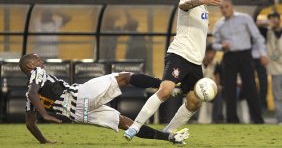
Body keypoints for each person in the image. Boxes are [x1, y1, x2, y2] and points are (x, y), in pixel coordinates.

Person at [124, 0, 222, 140]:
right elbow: (183, 6)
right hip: (179, 54)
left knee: (194, 102)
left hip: (195, 62)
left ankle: (168, 131)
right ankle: (135, 126)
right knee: (165, 90)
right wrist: (203, 0)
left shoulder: (205, 8)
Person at [19, 53, 189, 144]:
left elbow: (30, 124)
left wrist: (44, 142)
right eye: (36, 59)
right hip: (82, 94)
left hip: (78, 115)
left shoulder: (28, 95)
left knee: (125, 124)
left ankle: (170, 138)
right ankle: (167, 86)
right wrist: (46, 115)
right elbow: (35, 93)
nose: (40, 61)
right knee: (124, 77)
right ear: (29, 65)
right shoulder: (37, 73)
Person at [212, 0, 268, 124]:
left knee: (250, 87)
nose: (224, 10)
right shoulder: (219, 25)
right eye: (221, 8)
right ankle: (231, 120)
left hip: (245, 56)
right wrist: (222, 47)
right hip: (229, 56)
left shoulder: (245, 18)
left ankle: (258, 119)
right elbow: (214, 44)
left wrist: (263, 54)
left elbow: (257, 36)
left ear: (232, 6)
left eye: (226, 7)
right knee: (229, 89)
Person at [198, 44, 223, 124]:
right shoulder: (198, 62)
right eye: (211, 53)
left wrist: (216, 87)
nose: (213, 55)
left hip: (210, 88)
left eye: (214, 53)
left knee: (218, 93)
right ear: (206, 53)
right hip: (198, 87)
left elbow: (217, 76)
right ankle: (194, 118)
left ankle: (216, 118)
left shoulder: (215, 63)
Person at [266, 12, 282, 124]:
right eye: (271, 19)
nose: (273, 21)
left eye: (275, 18)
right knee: (277, 97)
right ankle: (280, 119)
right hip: (275, 70)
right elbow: (257, 23)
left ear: (279, 19)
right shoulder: (268, 33)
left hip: (278, 65)